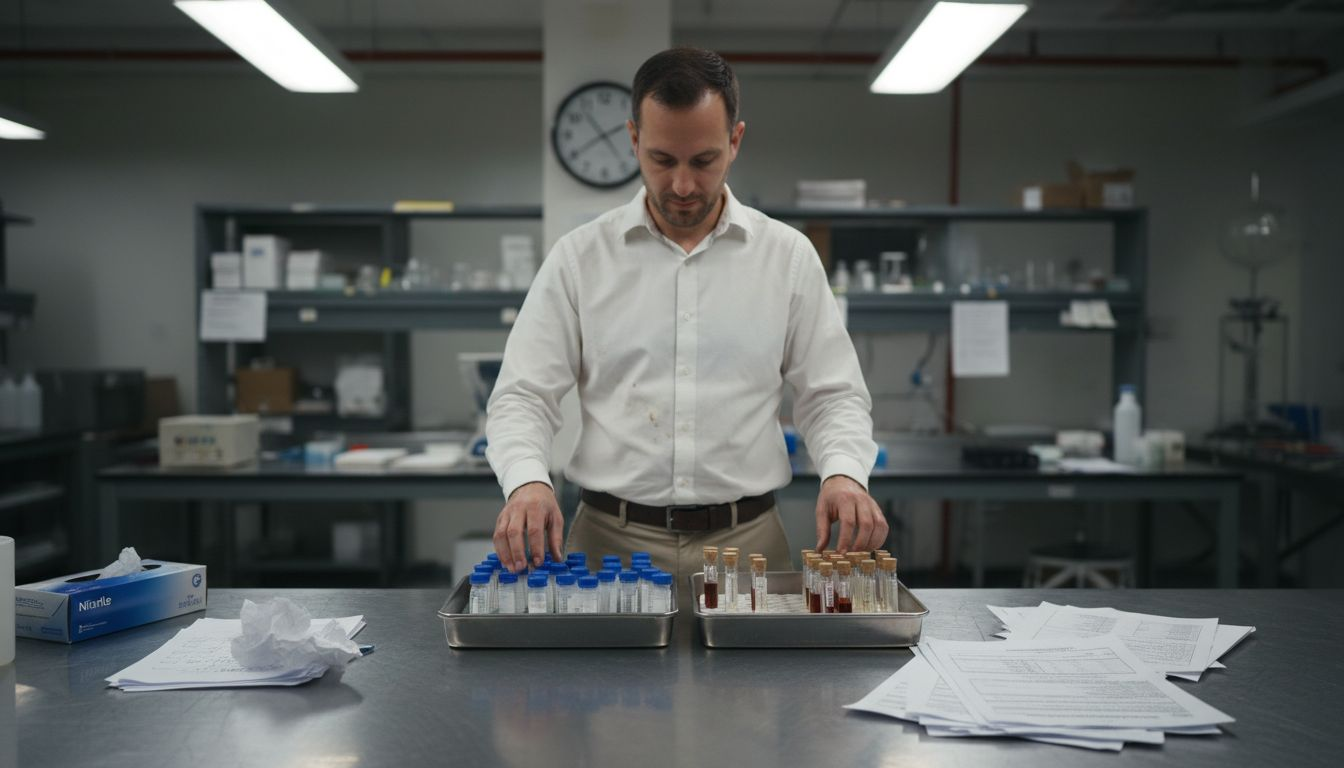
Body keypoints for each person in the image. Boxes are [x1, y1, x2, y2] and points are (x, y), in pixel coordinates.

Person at [486, 47, 884, 583]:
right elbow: (522, 396)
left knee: (768, 674)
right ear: (633, 140)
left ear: (735, 141)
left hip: (750, 546)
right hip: (606, 546)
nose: (681, 186)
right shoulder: (580, 258)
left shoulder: (785, 257)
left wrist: (844, 474)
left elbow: (832, 394)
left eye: (703, 161)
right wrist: (528, 481)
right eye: (661, 159)